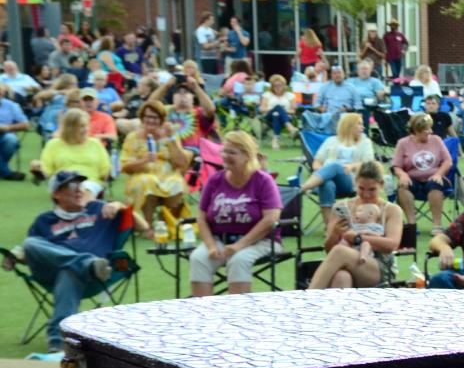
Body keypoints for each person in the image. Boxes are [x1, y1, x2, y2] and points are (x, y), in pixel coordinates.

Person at [4, 171, 146, 353]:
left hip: (90, 275)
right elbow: (32, 252)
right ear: (56, 194)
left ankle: (58, 341)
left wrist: (119, 205)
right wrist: (16, 256)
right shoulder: (44, 220)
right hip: (55, 272)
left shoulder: (100, 209)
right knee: (31, 243)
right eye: (72, 187)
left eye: (81, 186)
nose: (79, 191)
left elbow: (144, 227)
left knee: (69, 270)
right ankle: (87, 263)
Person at [189, 132, 282, 297]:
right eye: (224, 151)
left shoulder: (263, 181)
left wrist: (240, 245)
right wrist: (210, 246)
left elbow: (271, 218)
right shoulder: (215, 180)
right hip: (220, 240)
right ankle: (202, 313)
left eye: (232, 152)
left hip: (261, 241)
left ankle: (238, 315)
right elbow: (202, 218)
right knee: (198, 258)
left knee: (239, 260)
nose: (225, 156)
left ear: (247, 155)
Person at [305, 160, 404, 290]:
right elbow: (329, 249)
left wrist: (358, 238)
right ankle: (341, 310)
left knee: (340, 252)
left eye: (372, 189)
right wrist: (335, 233)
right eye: (361, 188)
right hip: (346, 264)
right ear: (355, 183)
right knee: (341, 277)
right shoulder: (341, 208)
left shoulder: (391, 210)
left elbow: (392, 245)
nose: (366, 195)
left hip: (378, 266)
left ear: (381, 185)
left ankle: (308, 299)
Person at [119, 100, 191, 236]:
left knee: (178, 183)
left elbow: (181, 163)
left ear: (162, 120)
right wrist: (142, 161)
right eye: (147, 116)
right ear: (142, 118)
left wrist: (172, 140)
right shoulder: (133, 137)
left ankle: (164, 219)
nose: (151, 120)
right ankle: (147, 225)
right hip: (142, 175)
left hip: (168, 175)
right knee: (148, 181)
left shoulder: (169, 137)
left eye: (155, 117)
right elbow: (124, 167)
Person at [299, 112, 374, 225]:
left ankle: (301, 189)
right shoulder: (331, 140)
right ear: (349, 125)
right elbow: (317, 161)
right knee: (327, 184)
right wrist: (320, 171)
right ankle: (329, 226)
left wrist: (352, 166)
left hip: (350, 180)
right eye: (359, 124)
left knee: (335, 166)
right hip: (325, 179)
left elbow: (368, 163)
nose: (363, 127)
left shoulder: (365, 142)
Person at [392, 111, 453, 232]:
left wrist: (438, 174)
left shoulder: (436, 140)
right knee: (403, 187)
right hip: (413, 179)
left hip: (434, 176)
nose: (431, 131)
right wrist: (402, 174)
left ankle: (437, 225)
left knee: (434, 185)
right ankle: (411, 224)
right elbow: (396, 166)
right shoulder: (403, 143)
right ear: (416, 130)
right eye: (427, 129)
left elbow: (448, 161)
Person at [32, 109, 109, 184]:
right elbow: (46, 172)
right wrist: (38, 169)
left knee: (85, 187)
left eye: (87, 126)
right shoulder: (53, 144)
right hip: (62, 183)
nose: (86, 129)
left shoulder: (95, 144)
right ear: (70, 128)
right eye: (82, 126)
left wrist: (110, 173)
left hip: (90, 183)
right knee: (70, 187)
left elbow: (105, 171)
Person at [302, 65, 358, 134]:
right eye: (335, 73)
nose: (337, 75)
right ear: (331, 75)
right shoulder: (325, 87)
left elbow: (358, 106)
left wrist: (348, 109)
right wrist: (322, 109)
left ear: (344, 74)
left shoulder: (352, 88)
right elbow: (316, 104)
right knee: (307, 115)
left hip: (345, 116)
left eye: (339, 73)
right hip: (328, 115)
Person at [259, 74, 297, 149]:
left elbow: (293, 111)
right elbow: (262, 109)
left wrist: (282, 111)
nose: (278, 87)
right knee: (277, 107)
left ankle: (275, 139)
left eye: (280, 85)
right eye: (275, 85)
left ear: (284, 85)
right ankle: (289, 126)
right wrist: (276, 108)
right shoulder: (267, 95)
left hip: (286, 116)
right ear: (272, 87)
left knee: (276, 115)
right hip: (268, 116)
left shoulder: (290, 95)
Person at [0, 84, 29, 180]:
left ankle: (3, 169)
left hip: (5, 135)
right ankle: (7, 173)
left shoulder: (12, 105)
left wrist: (8, 128)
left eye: (1, 93)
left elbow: (25, 124)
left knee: (11, 139)